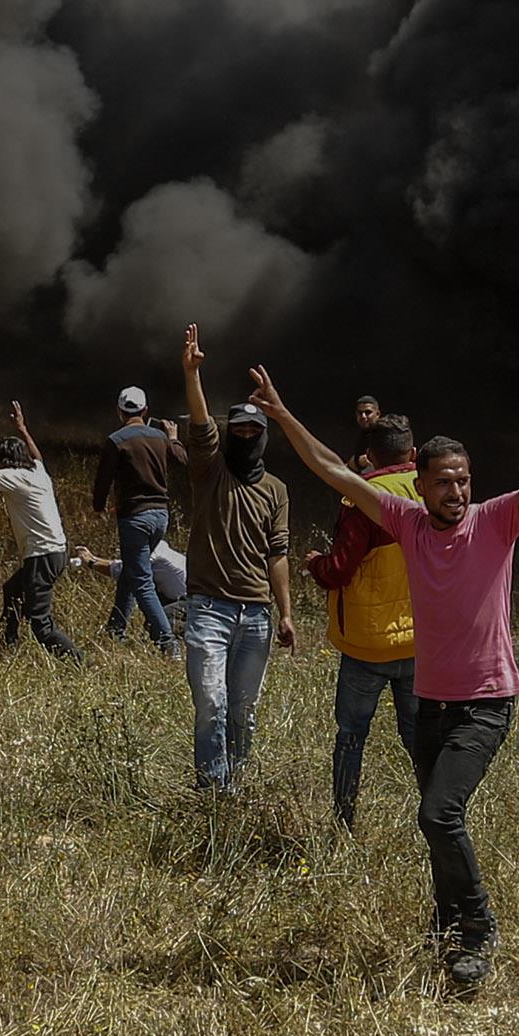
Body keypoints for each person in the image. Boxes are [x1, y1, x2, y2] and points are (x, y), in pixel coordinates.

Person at [251, 364, 519, 994]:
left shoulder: (498, 520)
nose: (457, 490)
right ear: (418, 486)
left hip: (486, 703)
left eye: (464, 480)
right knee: (437, 826)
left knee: (438, 814)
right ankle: (447, 931)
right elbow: (334, 472)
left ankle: (476, 926)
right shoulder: (405, 523)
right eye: (445, 482)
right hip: (432, 703)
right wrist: (283, 415)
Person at [174, 323, 293, 793]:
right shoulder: (211, 470)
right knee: (212, 702)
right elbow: (201, 425)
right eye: (237, 428)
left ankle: (237, 788)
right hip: (208, 610)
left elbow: (277, 554)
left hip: (258, 618)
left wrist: (286, 613)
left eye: (253, 429)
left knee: (244, 709)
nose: (245, 435)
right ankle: (213, 791)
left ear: (264, 434)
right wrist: (191, 375)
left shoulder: (276, 490)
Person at [304, 415, 423, 829]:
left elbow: (338, 571)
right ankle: (439, 817)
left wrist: (314, 564)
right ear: (413, 454)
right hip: (418, 643)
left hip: (366, 646)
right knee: (418, 740)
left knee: (351, 736)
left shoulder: (365, 501)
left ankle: (343, 823)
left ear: (368, 457)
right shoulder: (436, 493)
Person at [0, 401, 83, 660]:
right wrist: (22, 428)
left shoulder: (13, 477)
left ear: (4, 461)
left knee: (41, 625)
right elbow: (38, 455)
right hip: (54, 551)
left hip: (42, 555)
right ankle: (7, 647)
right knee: (13, 590)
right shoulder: (37, 471)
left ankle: (79, 663)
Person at [90, 385, 183, 649]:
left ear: (119, 412)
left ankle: (167, 642)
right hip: (161, 517)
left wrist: (98, 507)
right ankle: (115, 630)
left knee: (142, 581)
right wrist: (174, 437)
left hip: (135, 518)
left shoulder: (116, 440)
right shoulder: (160, 437)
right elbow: (183, 460)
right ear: (145, 410)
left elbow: (103, 480)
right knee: (133, 571)